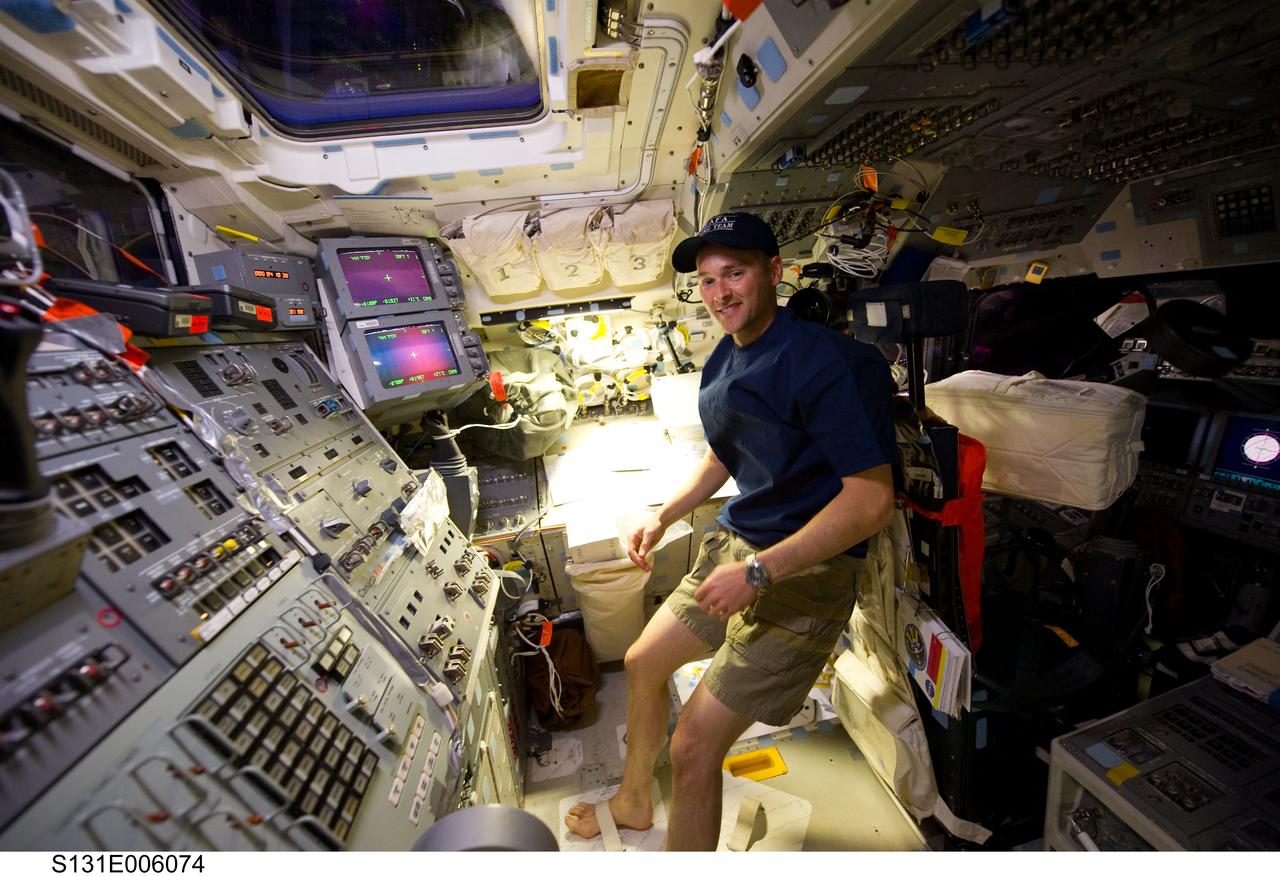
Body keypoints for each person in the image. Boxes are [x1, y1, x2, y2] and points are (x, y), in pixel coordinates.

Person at [564, 211, 897, 850]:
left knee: (693, 745)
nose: (719, 293)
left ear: (774, 271)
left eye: (734, 273)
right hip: (735, 552)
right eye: (708, 280)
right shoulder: (728, 353)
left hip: (802, 576)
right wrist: (663, 514)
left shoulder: (824, 364)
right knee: (641, 661)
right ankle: (634, 802)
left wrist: (760, 571)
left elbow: (871, 502)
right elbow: (725, 452)